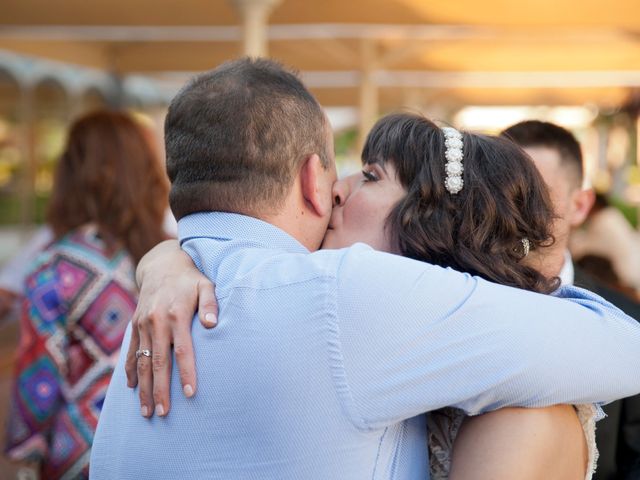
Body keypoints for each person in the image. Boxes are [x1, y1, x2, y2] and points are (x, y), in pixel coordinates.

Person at [91, 58, 640, 480]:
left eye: (370, 175)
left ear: (434, 222)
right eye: (345, 170)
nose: (340, 188)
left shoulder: (178, 300)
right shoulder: (342, 297)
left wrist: (165, 259)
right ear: (312, 179)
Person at [4, 111, 169, 479]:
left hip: (80, 456)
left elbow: (39, 383)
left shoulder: (54, 268)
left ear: (69, 175)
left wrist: (22, 452)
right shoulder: (175, 258)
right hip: (163, 448)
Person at [502, 119, 640, 480]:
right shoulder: (453, 298)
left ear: (581, 205)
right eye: (501, 192)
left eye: (534, 194)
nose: (513, 210)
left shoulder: (628, 322)